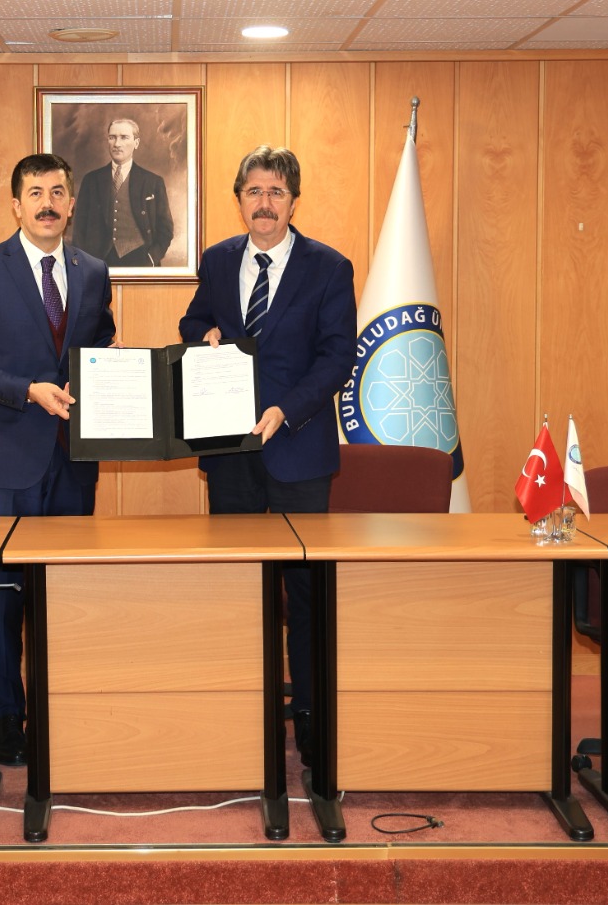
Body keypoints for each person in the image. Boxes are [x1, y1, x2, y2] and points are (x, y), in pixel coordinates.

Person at [177, 145, 356, 765]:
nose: (264, 202)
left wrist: (287, 410)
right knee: (239, 589)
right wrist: (201, 335)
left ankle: (308, 716)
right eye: (254, 191)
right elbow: (192, 322)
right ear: (239, 200)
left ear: (293, 202)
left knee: (305, 594)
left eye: (276, 192)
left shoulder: (329, 267)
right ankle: (244, 713)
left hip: (299, 453)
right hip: (230, 455)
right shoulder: (218, 259)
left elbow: (337, 356)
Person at [0, 152, 117, 767]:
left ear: (71, 203)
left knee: (61, 593)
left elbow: (99, 341)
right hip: (4, 462)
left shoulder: (93, 270)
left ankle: (56, 709)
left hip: (73, 460)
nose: (48, 203)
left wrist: (115, 368)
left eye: (58, 192)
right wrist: (27, 391)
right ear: (16, 205)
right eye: (36, 192)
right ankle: (7, 717)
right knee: (4, 598)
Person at [70, 118, 175, 268]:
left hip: (141, 261)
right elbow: (79, 229)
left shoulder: (153, 182)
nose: (117, 144)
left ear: (136, 143)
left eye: (124, 137)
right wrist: (84, 263)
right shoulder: (91, 180)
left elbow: (166, 229)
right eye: (112, 137)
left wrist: (152, 258)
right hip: (98, 263)